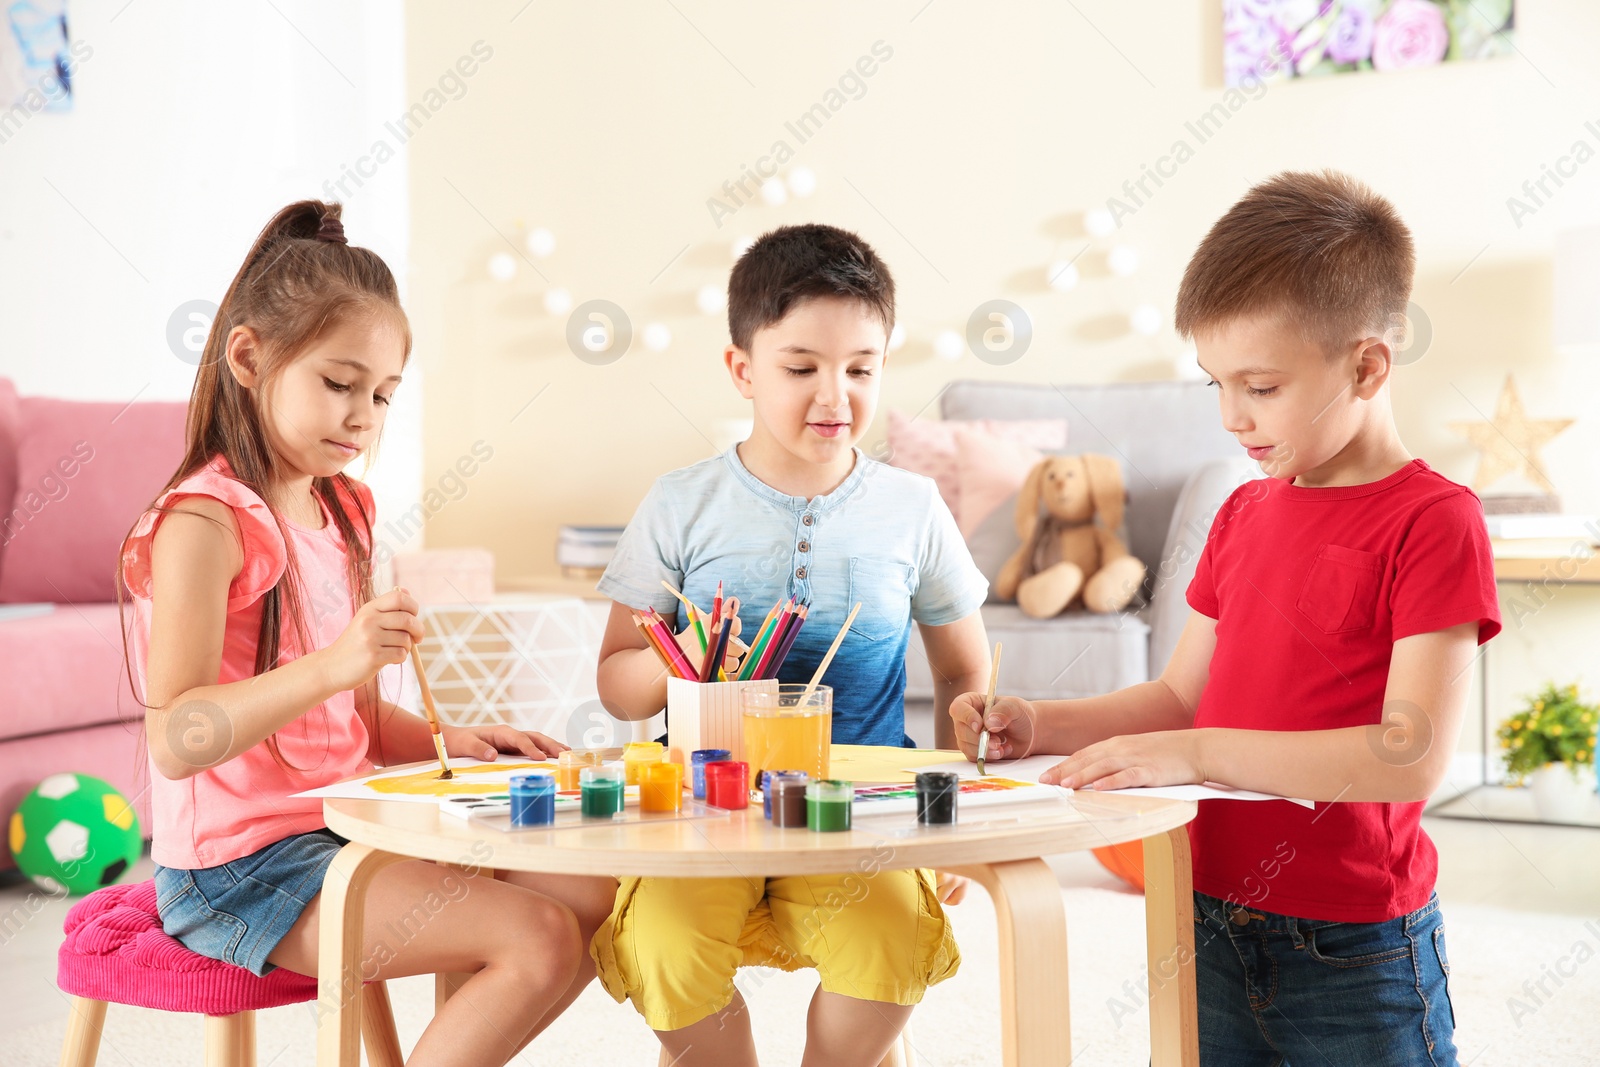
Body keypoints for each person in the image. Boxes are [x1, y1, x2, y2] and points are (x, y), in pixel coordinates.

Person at [952, 171, 1499, 1067]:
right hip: (1204, 913)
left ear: (1367, 365)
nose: (1231, 416)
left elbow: (1409, 753)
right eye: (1215, 383)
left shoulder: (1433, 521)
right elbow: (1178, 695)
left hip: (1355, 945)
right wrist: (1040, 723)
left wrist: (1201, 751)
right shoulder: (1244, 513)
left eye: (1260, 386)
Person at [119, 200, 617, 1067]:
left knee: (594, 888)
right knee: (535, 936)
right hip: (240, 869)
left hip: (347, 823)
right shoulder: (203, 520)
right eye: (339, 383)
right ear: (249, 355)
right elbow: (176, 739)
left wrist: (449, 741)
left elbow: (351, 730)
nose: (362, 417)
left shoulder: (343, 508)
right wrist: (339, 660)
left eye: (382, 395)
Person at [592, 223, 992, 1066]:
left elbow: (963, 670)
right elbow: (615, 686)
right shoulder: (679, 503)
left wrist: (955, 820)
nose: (835, 396)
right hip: (702, 812)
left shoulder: (912, 508)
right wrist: (677, 661)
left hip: (861, 812)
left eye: (861, 368)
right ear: (742, 368)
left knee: (888, 940)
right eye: (802, 368)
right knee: (663, 945)